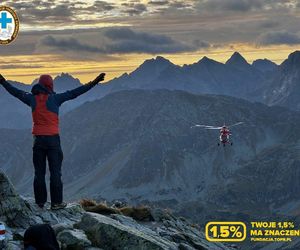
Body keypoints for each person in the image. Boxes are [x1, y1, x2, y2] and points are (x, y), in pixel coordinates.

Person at [0, 73, 105, 209]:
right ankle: (56, 203)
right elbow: (75, 92)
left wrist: (3, 82)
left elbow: (16, 92)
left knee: (39, 173)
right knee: (55, 172)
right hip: (53, 140)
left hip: (37, 140)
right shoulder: (56, 99)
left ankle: (40, 202)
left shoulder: (31, 99)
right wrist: (94, 82)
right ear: (50, 85)